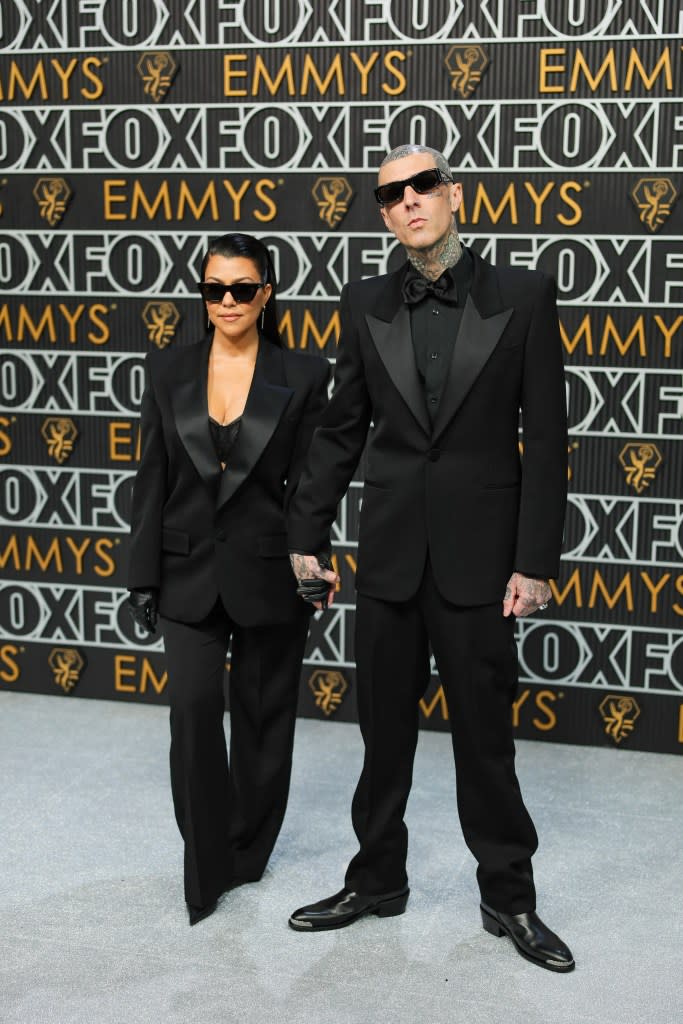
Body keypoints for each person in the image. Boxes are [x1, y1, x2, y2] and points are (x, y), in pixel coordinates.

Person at [286, 145, 574, 972]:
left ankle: (508, 897)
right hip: (388, 558)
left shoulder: (520, 294)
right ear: (382, 213)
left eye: (421, 186)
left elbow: (547, 441)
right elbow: (342, 429)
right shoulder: (365, 300)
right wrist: (306, 534)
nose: (407, 201)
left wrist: (534, 561)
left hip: (482, 562)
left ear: (452, 193)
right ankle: (376, 879)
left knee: (485, 738)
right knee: (381, 735)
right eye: (389, 195)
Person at [126, 232, 330, 926]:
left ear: (265, 293)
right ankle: (205, 854)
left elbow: (308, 485)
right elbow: (151, 477)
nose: (229, 301)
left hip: (270, 570)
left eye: (243, 288)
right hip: (184, 571)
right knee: (190, 713)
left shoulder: (302, 375)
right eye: (215, 289)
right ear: (203, 295)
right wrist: (141, 577)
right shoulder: (167, 369)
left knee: (264, 722)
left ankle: (246, 849)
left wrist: (310, 560)